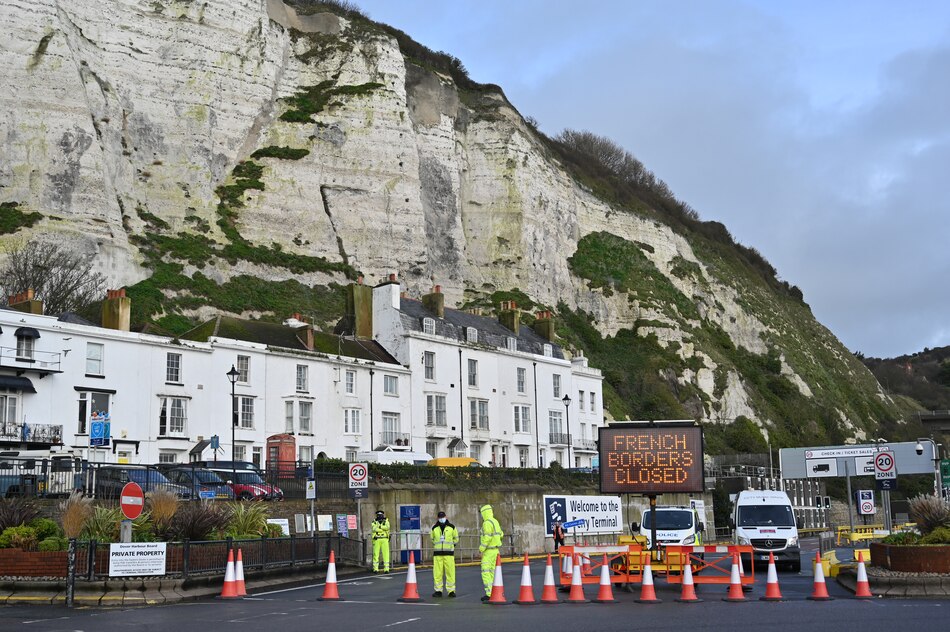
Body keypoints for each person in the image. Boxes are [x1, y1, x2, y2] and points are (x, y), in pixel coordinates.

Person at [430, 510, 459, 598]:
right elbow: (432, 539)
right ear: (438, 518)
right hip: (438, 554)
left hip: (449, 554)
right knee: (437, 573)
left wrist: (451, 546)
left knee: (450, 572)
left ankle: (451, 591)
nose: (441, 519)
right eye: (440, 517)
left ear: (446, 517)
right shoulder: (434, 528)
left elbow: (456, 538)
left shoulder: (452, 527)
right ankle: (438, 590)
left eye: (443, 517)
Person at [478, 503, 504, 601]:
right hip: (496, 550)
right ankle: (494, 591)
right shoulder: (495, 521)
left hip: (488, 551)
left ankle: (489, 593)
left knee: (485, 571)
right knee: (493, 572)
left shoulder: (487, 523)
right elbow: (501, 534)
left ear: (484, 513)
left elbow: (487, 538)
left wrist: (481, 550)